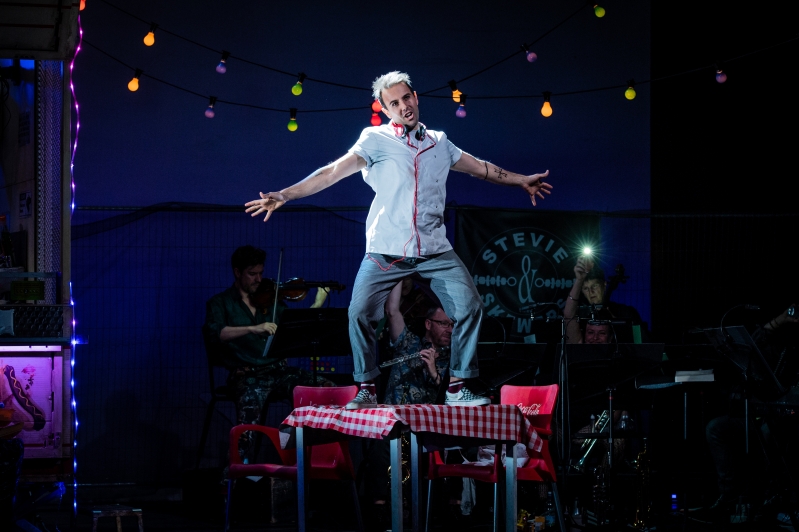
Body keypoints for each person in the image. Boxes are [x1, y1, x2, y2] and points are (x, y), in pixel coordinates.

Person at [245, 71, 553, 409]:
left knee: (470, 308)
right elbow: (332, 172)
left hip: (435, 249)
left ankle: (457, 386)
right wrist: (286, 195)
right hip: (386, 249)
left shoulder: (439, 142)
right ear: (385, 108)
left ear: (416, 97)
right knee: (359, 313)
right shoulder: (374, 140)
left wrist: (523, 180)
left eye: (407, 98)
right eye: (394, 103)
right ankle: (366, 389)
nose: (403, 106)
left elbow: (481, 168)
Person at [203, 245, 332, 461]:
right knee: (248, 425)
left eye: (261, 273)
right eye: (252, 274)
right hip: (248, 376)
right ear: (237, 272)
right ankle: (233, 479)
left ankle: (312, 456)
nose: (258, 279)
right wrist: (253, 328)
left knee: (325, 387)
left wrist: (317, 303)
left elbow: (294, 330)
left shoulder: (272, 301)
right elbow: (217, 333)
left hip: (278, 372)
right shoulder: (220, 303)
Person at [362, 280, 454, 528]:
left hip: (422, 429)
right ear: (428, 324)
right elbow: (392, 310)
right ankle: (381, 517)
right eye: (444, 323)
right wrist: (397, 273)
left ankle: (419, 517)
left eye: (452, 325)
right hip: (391, 424)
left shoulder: (452, 359)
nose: (449, 329)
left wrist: (433, 370)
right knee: (378, 444)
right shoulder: (408, 343)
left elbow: (447, 397)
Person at [702, 304, 799, 521]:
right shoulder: (775, 340)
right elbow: (754, 346)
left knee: (768, 433)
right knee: (716, 428)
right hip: (761, 411)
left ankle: (772, 497)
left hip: (784, 419)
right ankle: (729, 496)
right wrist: (778, 321)